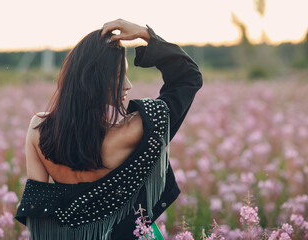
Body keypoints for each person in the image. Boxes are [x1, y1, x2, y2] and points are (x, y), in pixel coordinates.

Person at [15, 19, 203, 240]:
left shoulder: (38, 129)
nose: (128, 85)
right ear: (94, 82)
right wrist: (146, 35)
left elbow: (38, 210)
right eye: (119, 76)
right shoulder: (134, 131)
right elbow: (188, 77)